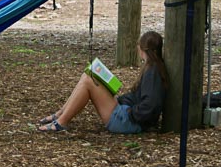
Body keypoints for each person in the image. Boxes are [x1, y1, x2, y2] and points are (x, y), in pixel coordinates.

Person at [36, 31, 168, 133]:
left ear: (142, 48)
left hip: (128, 122)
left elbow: (151, 104)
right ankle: (60, 114)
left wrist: (131, 113)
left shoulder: (153, 72)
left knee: (88, 81)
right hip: (127, 114)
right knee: (87, 76)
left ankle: (61, 122)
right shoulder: (152, 67)